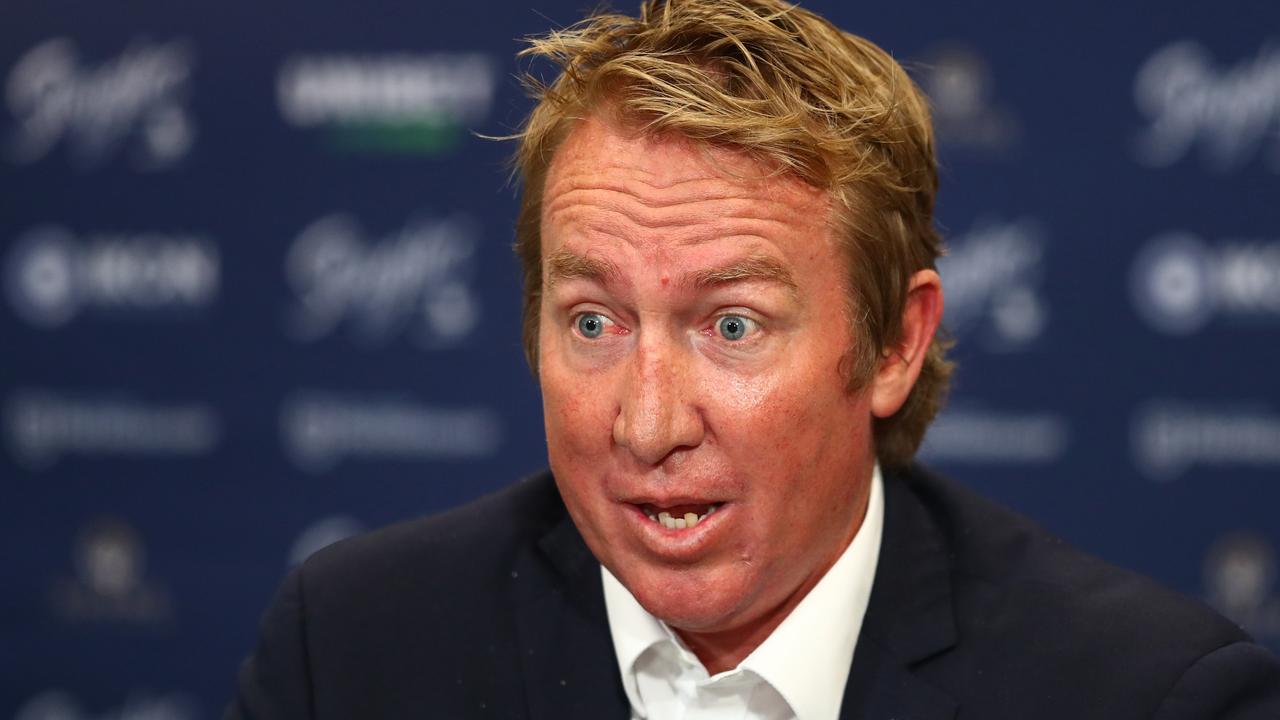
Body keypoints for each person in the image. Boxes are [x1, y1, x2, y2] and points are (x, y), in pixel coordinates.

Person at [228, 1, 1280, 717]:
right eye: (593, 321)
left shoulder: (1142, 696)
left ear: (891, 344)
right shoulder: (353, 653)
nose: (646, 424)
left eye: (730, 326)